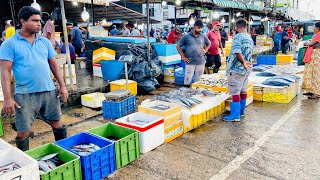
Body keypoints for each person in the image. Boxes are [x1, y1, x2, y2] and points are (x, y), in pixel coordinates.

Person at [0, 6, 69, 151]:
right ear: (23, 21)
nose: (40, 24)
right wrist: (7, 98)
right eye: (35, 20)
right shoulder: (9, 44)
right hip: (25, 94)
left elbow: (54, 65)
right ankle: (25, 161)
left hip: (49, 91)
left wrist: (62, 85)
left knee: (57, 123)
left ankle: (64, 152)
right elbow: (5, 72)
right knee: (23, 131)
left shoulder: (44, 42)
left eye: (40, 21)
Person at [224, 18, 253, 122]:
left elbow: (237, 51)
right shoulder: (249, 38)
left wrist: (243, 62)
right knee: (243, 90)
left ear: (236, 27)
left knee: (235, 91)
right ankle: (241, 112)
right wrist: (246, 63)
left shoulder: (238, 37)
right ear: (246, 26)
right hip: (246, 70)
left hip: (236, 69)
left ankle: (235, 115)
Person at [176, 20, 211, 86]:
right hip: (190, 62)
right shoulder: (186, 36)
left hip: (201, 61)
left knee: (198, 81)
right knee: (187, 80)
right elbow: (178, 46)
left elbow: (209, 43)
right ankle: (185, 93)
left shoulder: (203, 36)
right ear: (194, 27)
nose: (200, 29)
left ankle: (196, 94)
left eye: (201, 28)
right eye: (199, 28)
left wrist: (205, 50)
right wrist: (183, 57)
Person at [302, 22, 320, 99]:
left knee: (315, 73)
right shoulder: (316, 35)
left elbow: (311, 43)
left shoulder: (319, 34)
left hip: (317, 55)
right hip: (314, 55)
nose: (313, 28)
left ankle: (316, 93)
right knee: (311, 72)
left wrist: (306, 42)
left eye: (315, 27)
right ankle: (311, 90)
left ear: (318, 28)